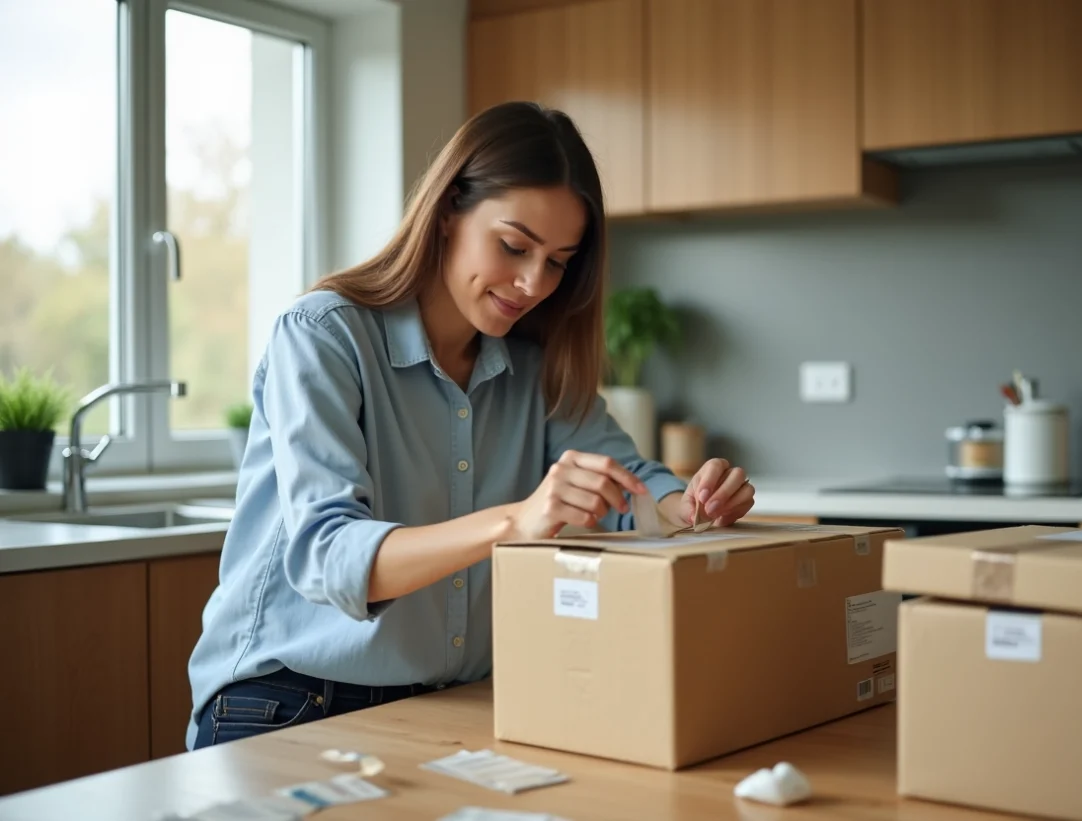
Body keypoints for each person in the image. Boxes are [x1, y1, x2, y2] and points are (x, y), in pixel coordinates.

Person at [185, 101, 756, 750]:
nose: (533, 282)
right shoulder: (324, 334)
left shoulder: (534, 368)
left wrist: (690, 504)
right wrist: (516, 520)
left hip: (449, 703)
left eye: (559, 260)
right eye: (514, 245)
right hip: (288, 700)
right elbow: (327, 555)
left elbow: (628, 486)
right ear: (449, 209)